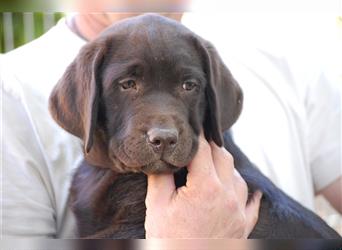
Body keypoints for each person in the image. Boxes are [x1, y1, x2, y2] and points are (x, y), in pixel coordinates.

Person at [2, 2, 341, 238]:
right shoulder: (13, 90)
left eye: (187, 85)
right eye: (128, 84)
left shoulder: (271, 54)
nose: (162, 128)